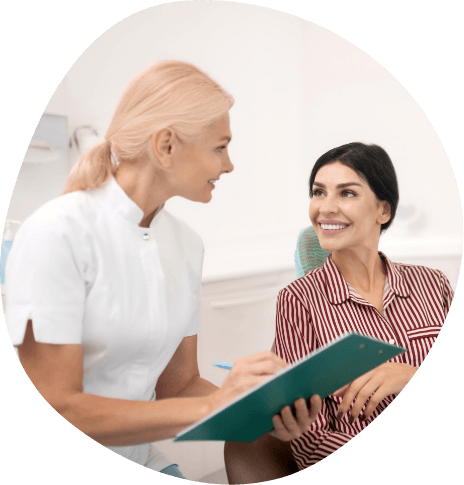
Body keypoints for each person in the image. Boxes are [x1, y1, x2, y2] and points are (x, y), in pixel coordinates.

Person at [4, 61, 322, 479]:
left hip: (142, 458)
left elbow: (180, 386)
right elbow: (57, 406)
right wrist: (216, 403)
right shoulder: (56, 233)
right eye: (220, 147)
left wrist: (263, 410)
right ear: (166, 146)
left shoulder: (186, 245)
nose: (229, 166)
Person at [225, 142, 454, 482]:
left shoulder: (432, 285)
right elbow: (309, 435)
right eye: (318, 193)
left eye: (346, 193)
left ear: (383, 211)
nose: (325, 208)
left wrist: (411, 377)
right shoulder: (298, 300)